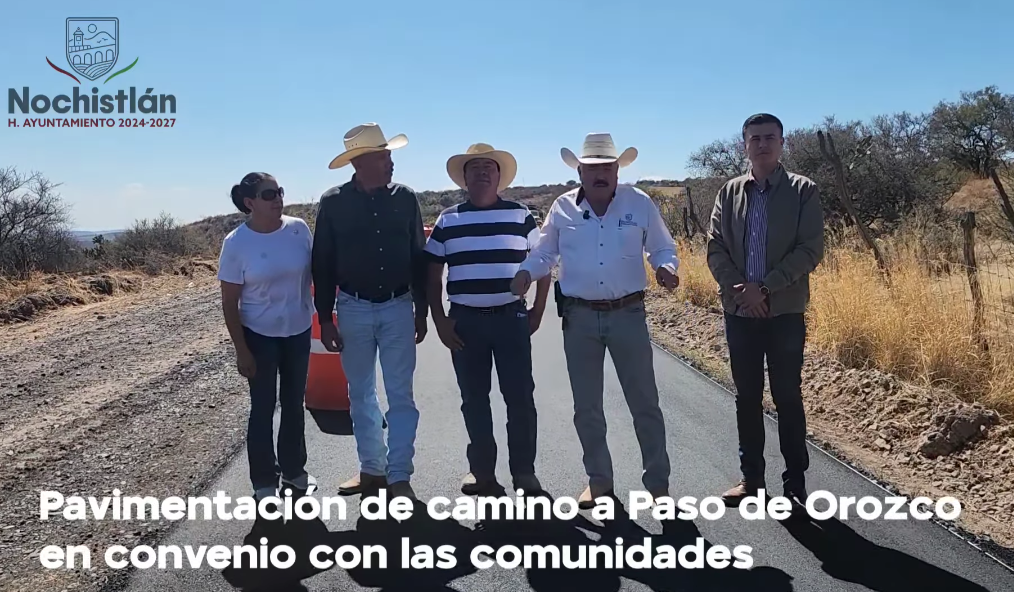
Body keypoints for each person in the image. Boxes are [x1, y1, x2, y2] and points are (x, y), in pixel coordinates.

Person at [510, 133, 680, 508]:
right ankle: (599, 480)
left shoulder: (639, 203)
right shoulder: (563, 208)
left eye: (607, 167)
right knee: (587, 407)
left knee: (645, 404)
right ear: (580, 171)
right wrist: (526, 272)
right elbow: (544, 253)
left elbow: (662, 246)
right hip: (580, 318)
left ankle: (658, 486)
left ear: (618, 169)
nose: (600, 174)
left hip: (628, 315)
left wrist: (665, 267)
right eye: (593, 168)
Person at [705, 113, 824, 507]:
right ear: (745, 146)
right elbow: (715, 247)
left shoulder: (803, 191)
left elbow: (810, 249)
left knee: (787, 395)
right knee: (747, 397)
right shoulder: (729, 192)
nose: (762, 144)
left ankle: (795, 485)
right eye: (754, 138)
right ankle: (751, 479)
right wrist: (742, 292)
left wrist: (766, 288)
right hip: (740, 311)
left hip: (784, 311)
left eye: (769, 137)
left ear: (782, 143)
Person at [311, 123, 429, 501]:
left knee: (401, 395)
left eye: (390, 156)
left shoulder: (405, 199)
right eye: (383, 157)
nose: (390, 163)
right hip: (353, 308)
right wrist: (325, 318)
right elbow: (323, 263)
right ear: (360, 162)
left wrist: (422, 310)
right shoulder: (332, 203)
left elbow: (418, 256)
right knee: (359, 393)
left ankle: (399, 476)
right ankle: (371, 470)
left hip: (398, 306)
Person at [425, 143, 551, 497]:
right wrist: (440, 320)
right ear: (464, 178)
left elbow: (543, 264)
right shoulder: (448, 220)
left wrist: (538, 311)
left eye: (489, 167)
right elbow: (432, 276)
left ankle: (524, 473)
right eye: (474, 167)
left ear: (499, 176)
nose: (482, 172)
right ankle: (481, 472)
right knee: (474, 399)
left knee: (520, 398)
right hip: (465, 323)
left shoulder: (521, 215)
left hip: (511, 318)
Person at [217, 172, 317, 503]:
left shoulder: (298, 229)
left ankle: (294, 471)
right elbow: (230, 302)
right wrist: (241, 351)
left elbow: (318, 272)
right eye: (269, 194)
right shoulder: (236, 244)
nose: (278, 199)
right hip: (259, 336)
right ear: (250, 203)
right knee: (262, 408)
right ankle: (263, 480)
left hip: (298, 331)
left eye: (280, 192)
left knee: (293, 404)